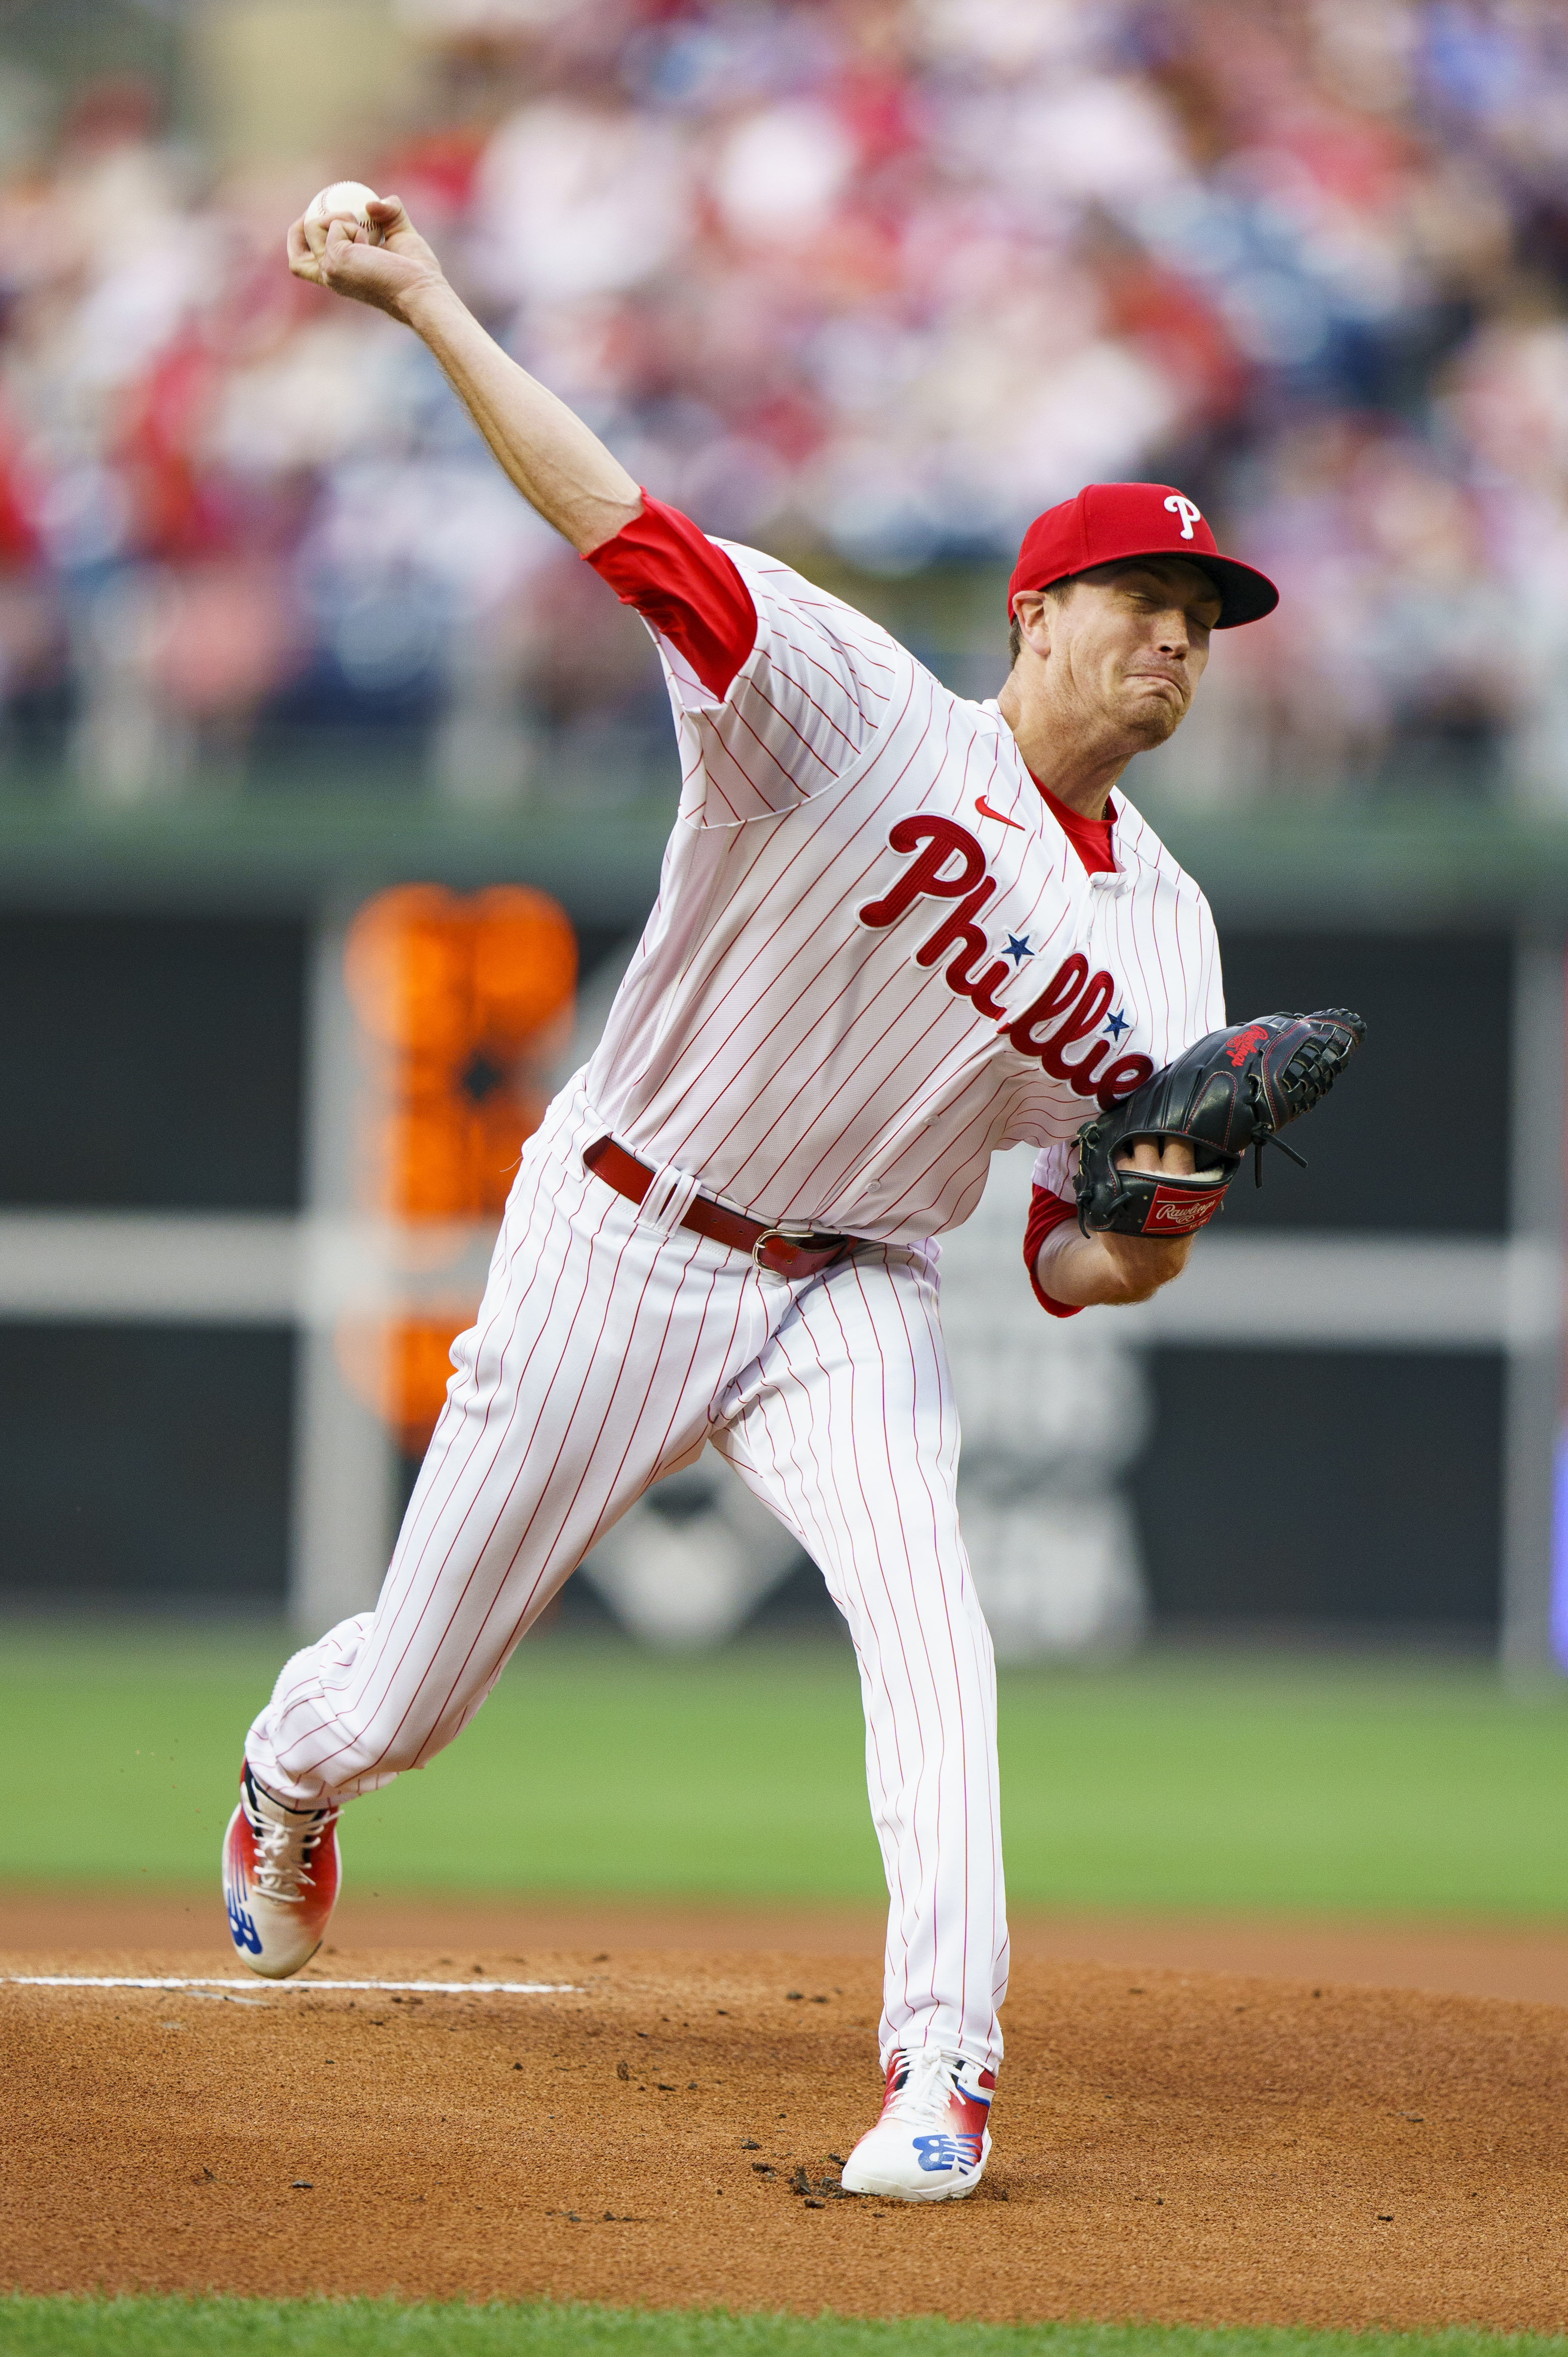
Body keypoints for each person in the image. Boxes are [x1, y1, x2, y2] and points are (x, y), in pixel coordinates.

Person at [221, 193, 1279, 2205]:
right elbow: (621, 522)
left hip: (857, 1283)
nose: (1177, 634)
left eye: (1207, 614)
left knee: (934, 1631)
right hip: (625, 1226)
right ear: (1034, 618)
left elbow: (1078, 1260)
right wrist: (432, 298)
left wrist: (1159, 1211)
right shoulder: (852, 709)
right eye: (1144, 592)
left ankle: (943, 2071)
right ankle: (292, 1770)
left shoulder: (1171, 936)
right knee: (410, 1696)